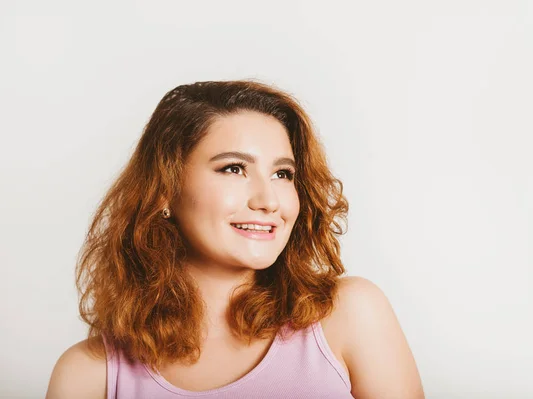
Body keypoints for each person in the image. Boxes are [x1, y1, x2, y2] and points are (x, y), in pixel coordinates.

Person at [45, 80, 425, 398]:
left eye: (283, 174)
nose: (268, 200)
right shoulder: (88, 376)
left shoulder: (350, 316)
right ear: (164, 192)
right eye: (234, 168)